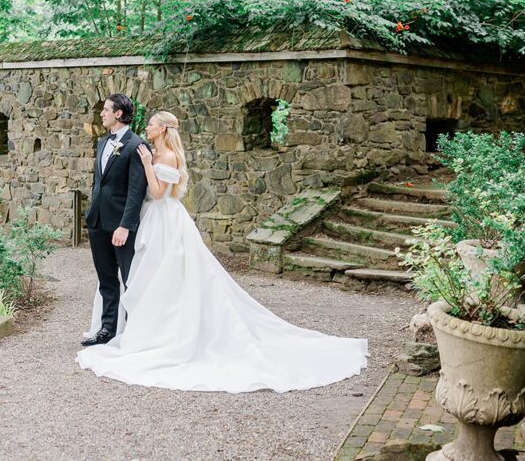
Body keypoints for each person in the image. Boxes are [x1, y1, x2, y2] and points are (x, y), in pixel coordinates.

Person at [77, 111, 368, 392]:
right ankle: (147, 329)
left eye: (152, 124)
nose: (148, 127)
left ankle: (167, 334)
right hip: (153, 219)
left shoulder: (165, 156)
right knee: (151, 277)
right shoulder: (153, 152)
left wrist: (146, 165)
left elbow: (156, 193)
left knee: (166, 275)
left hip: (164, 219)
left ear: (163, 129)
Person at [80, 94, 149, 347]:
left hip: (120, 226)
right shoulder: (101, 143)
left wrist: (125, 226)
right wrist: (91, 212)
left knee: (130, 280)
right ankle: (107, 329)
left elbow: (136, 191)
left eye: (106, 110)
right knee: (106, 279)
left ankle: (133, 332)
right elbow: (98, 181)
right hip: (97, 221)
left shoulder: (136, 145)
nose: (102, 114)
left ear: (118, 114)